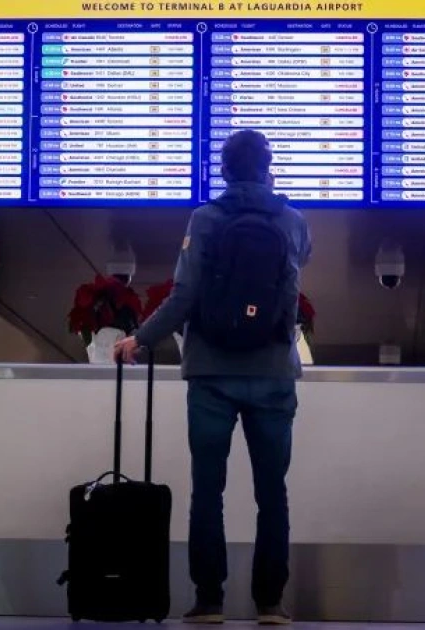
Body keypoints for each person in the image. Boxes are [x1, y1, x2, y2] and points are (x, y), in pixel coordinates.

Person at [114, 129, 311, 625]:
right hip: (272, 373)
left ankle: (209, 601)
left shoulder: (204, 219)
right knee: (272, 492)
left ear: (223, 170)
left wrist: (140, 338)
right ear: (269, 170)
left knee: (208, 489)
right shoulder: (292, 220)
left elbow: (185, 295)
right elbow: (293, 282)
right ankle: (270, 604)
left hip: (211, 373)